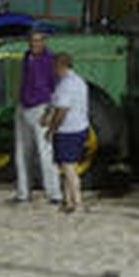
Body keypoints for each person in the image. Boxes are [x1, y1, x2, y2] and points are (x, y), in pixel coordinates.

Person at [12, 30, 61, 204]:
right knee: (22, 152)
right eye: (32, 40)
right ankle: (23, 193)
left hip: (41, 107)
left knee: (45, 151)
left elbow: (55, 86)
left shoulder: (50, 60)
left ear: (44, 41)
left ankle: (54, 193)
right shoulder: (27, 57)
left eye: (38, 40)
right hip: (24, 106)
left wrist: (50, 111)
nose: (35, 44)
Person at [45, 53, 90, 213]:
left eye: (54, 66)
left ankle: (78, 203)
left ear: (60, 65)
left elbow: (62, 110)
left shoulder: (65, 84)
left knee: (69, 169)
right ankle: (68, 201)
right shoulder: (79, 81)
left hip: (68, 130)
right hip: (80, 127)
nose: (52, 69)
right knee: (67, 167)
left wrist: (51, 129)